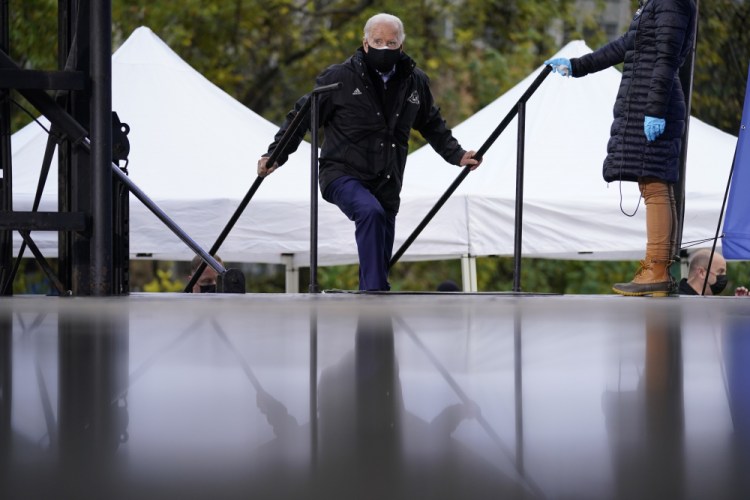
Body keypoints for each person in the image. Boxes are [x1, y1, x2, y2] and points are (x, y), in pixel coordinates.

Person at [257, 13, 480, 291]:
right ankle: (377, 294)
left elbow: (432, 123)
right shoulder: (338, 78)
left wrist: (457, 155)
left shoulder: (415, 82)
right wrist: (275, 155)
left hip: (387, 181)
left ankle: (373, 314)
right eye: (378, 41)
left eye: (391, 42)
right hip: (341, 173)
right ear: (365, 44)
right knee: (369, 213)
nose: (384, 48)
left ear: (401, 46)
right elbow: (302, 116)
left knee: (378, 252)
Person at [544, 0, 696, 296]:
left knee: (655, 185)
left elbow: (666, 58)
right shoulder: (654, 4)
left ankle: (657, 269)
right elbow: (624, 46)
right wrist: (577, 66)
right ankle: (657, 267)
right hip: (644, 101)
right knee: (653, 184)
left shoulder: (670, 2)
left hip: (655, 104)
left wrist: (654, 109)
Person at [677, 249, 749, 296]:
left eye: (725, 272)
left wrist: (740, 306)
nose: (724, 276)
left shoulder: (709, 303)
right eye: (720, 271)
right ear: (702, 272)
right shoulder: (675, 301)